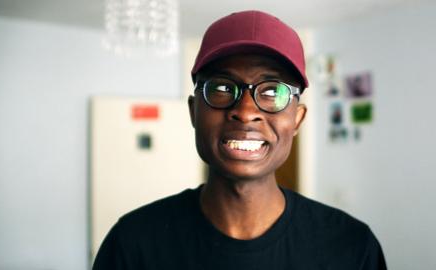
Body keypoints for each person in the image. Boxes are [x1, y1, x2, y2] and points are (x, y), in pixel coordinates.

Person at [93, 10, 387, 270]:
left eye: (272, 92)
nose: (246, 112)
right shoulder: (133, 244)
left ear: (297, 119)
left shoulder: (352, 248)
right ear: (195, 111)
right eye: (222, 87)